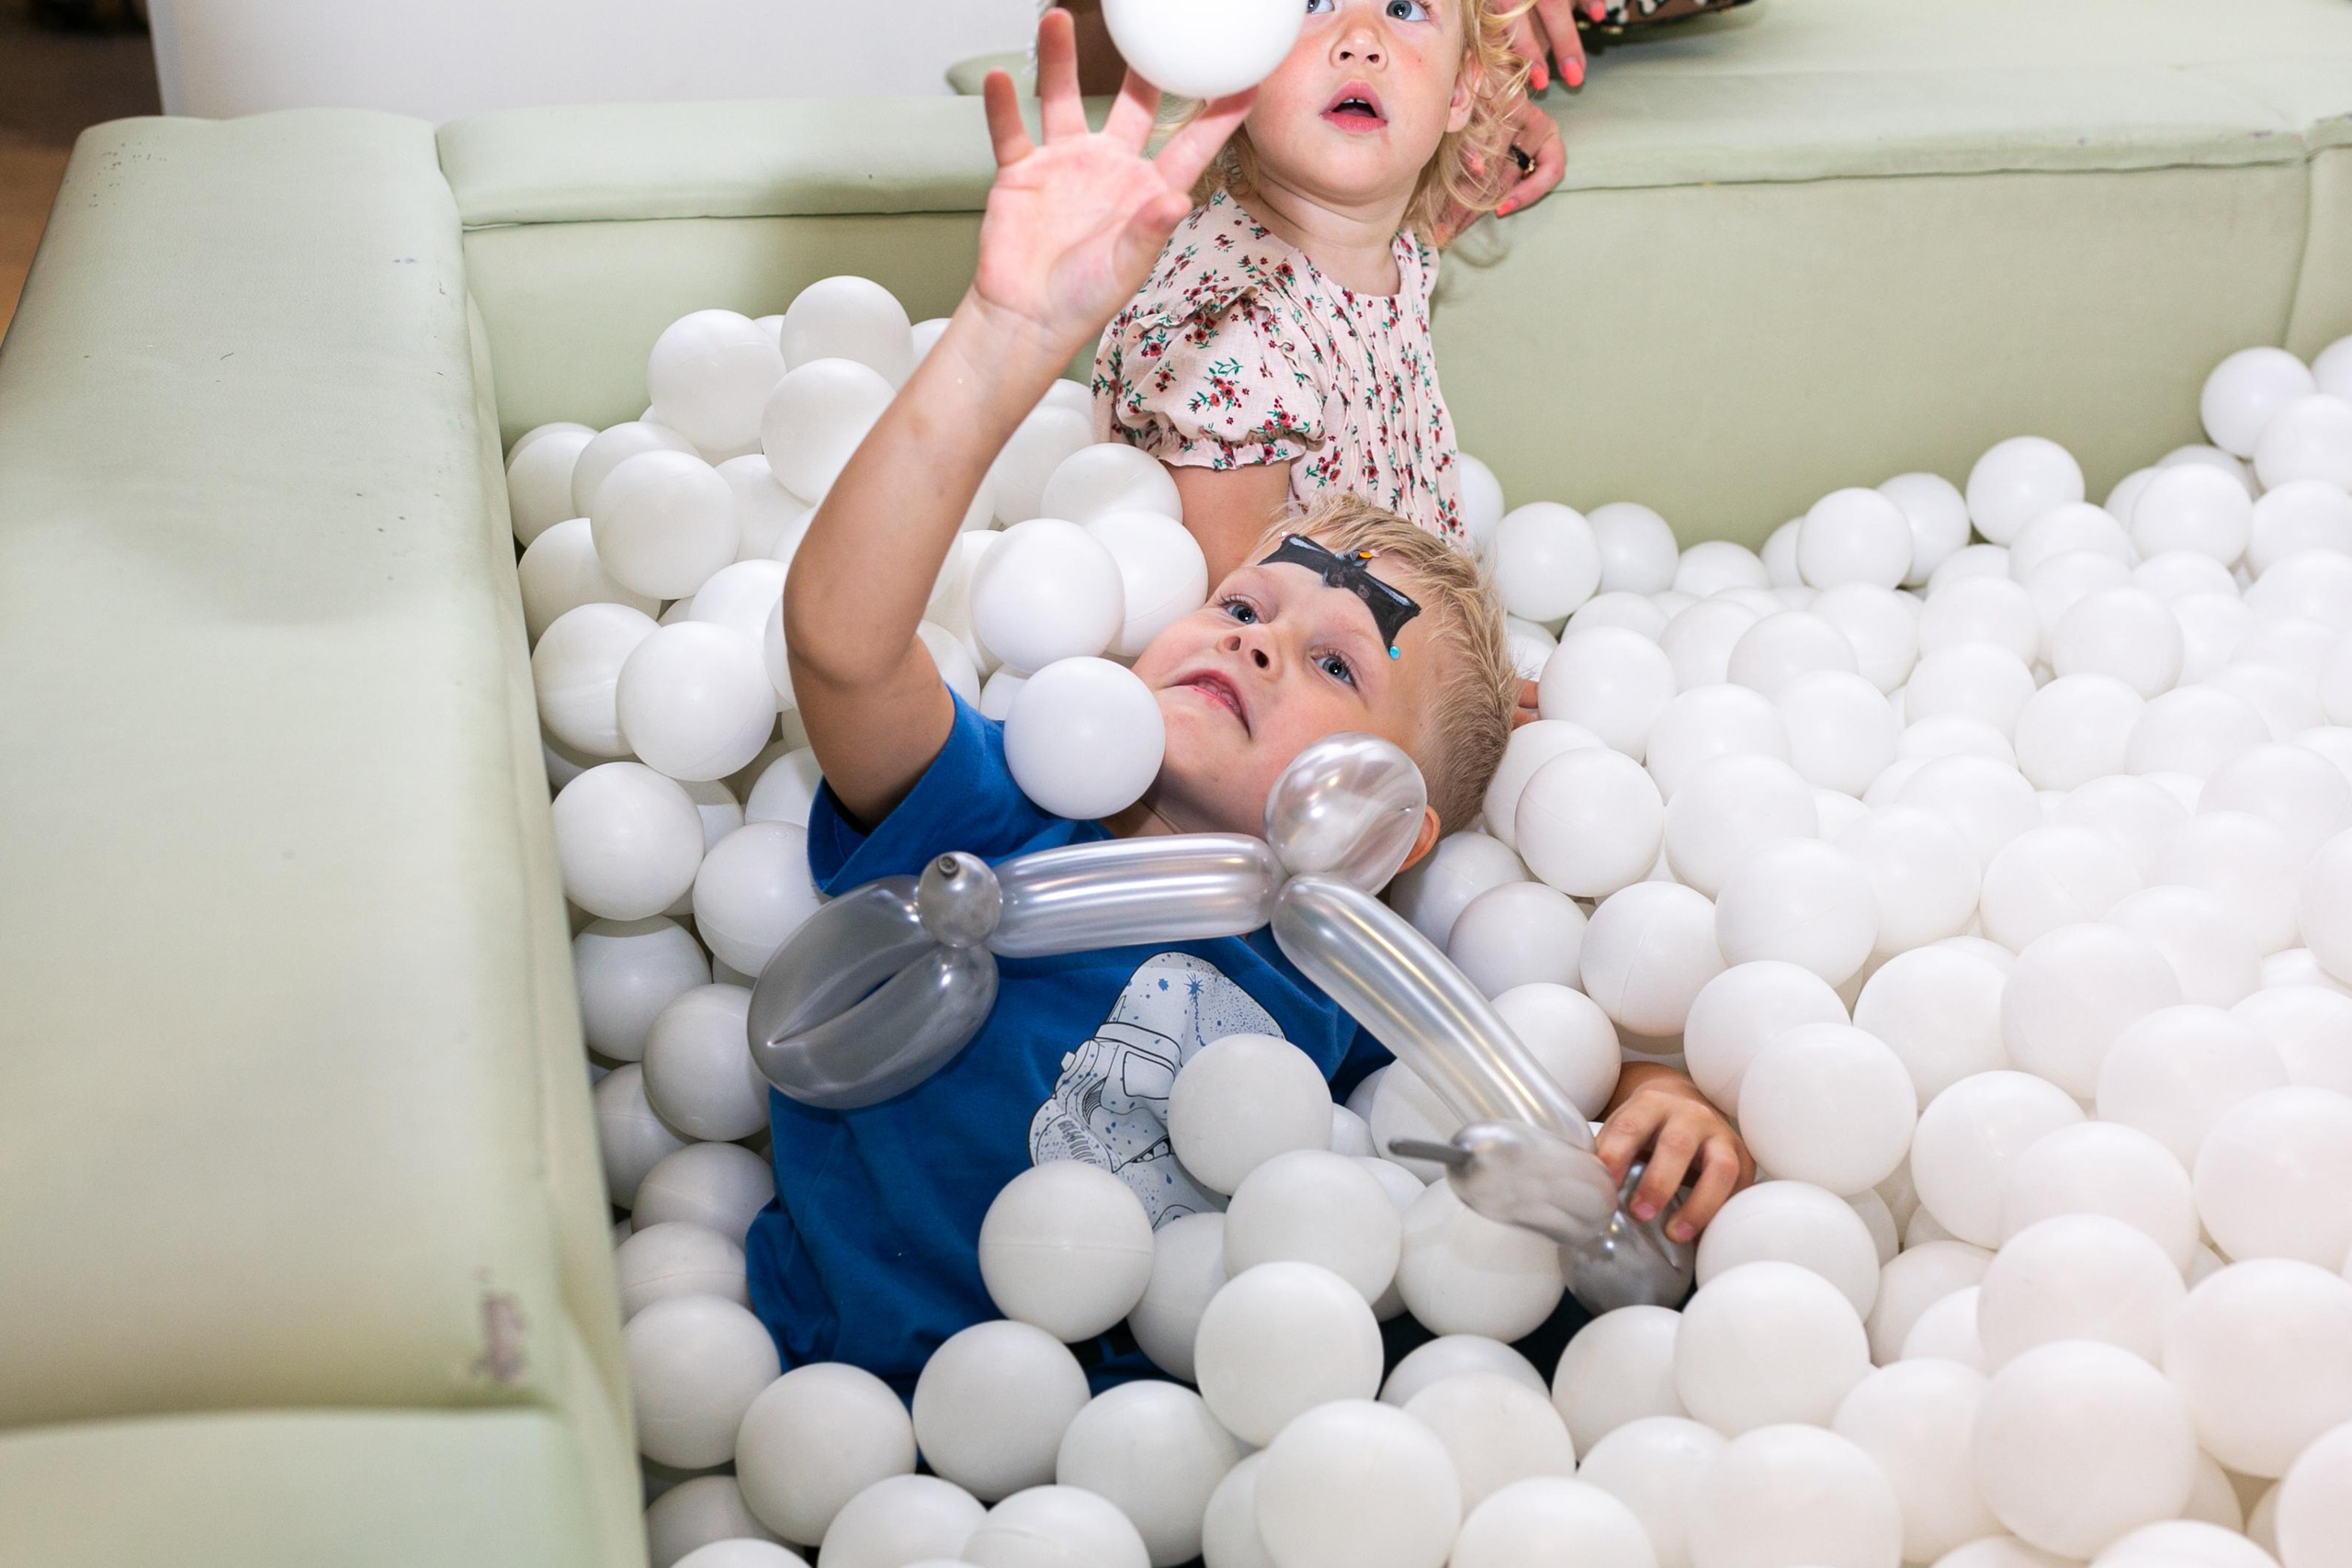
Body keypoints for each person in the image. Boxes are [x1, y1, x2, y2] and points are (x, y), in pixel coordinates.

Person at [747, 10, 1747, 1391]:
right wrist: (1002, 339)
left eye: (1337, 665)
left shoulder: (1350, 986)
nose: (1263, 642)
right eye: (1237, 605)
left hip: (1146, 1439)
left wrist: (1666, 1091)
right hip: (840, 1404)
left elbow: (1532, 1082)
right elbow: (842, 645)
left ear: (1393, 833)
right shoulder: (1001, 816)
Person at [1091, 0, 1544, 582]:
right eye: (1313, 2)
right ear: (1233, 64)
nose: (1361, 40)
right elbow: (1236, 611)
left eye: (1404, 7)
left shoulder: (1400, 251)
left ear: (1459, 92)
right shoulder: (1234, 335)